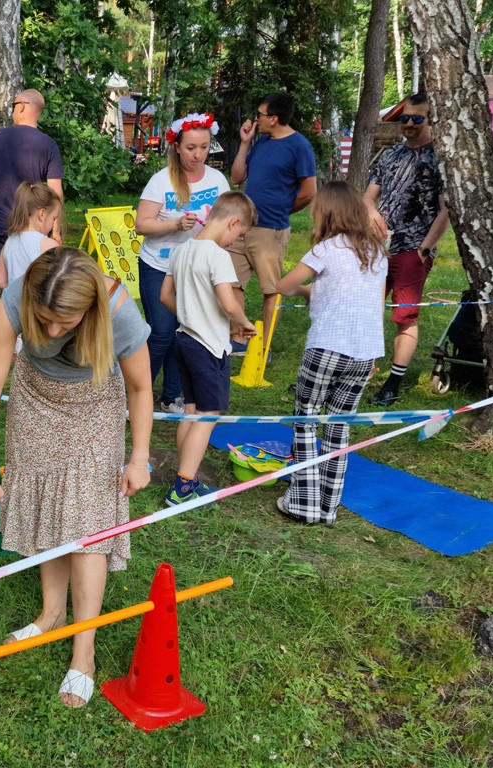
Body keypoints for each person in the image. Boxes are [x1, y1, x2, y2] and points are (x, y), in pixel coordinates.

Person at [0, 247, 153, 709]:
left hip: (93, 408)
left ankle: (83, 654)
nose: (50, 331)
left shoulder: (118, 312)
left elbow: (140, 387)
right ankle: (51, 613)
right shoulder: (17, 296)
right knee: (47, 504)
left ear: (89, 309)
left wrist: (139, 456)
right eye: (43, 320)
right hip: (34, 402)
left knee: (88, 527)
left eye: (63, 323)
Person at [275, 182, 388, 524]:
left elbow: (284, 285)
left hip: (327, 346)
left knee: (307, 419)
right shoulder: (377, 252)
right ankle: (329, 505)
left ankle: (304, 503)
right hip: (364, 350)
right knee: (339, 425)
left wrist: (307, 291)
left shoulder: (325, 249)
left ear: (325, 213)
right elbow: (376, 305)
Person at [159, 192, 256, 505]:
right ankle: (183, 486)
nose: (233, 242)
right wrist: (243, 323)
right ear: (232, 223)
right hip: (208, 348)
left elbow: (165, 296)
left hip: (184, 339)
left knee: (191, 410)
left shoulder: (181, 249)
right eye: (237, 236)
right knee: (208, 414)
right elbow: (229, 303)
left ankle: (187, 475)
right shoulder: (217, 256)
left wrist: (190, 313)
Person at [135, 112, 231, 414]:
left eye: (204, 147)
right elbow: (142, 225)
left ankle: (172, 395)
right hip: (158, 266)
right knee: (161, 332)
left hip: (196, 271)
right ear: (177, 146)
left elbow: (225, 220)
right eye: (191, 148)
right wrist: (175, 225)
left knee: (186, 332)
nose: (198, 154)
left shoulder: (217, 180)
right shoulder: (160, 181)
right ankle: (137, 396)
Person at [363, 93, 449, 406]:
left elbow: (446, 210)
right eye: (404, 119)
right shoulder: (390, 154)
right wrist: (371, 212)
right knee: (366, 308)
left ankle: (394, 382)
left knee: (405, 316)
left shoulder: (440, 158)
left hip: (413, 249)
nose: (409, 124)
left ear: (431, 120)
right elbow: (367, 197)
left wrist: (425, 249)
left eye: (416, 118)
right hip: (379, 247)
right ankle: (362, 367)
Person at [229, 93, 317, 352]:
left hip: (271, 229)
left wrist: (282, 210)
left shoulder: (300, 146)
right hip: (241, 226)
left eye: (260, 114)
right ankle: (240, 339)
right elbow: (236, 178)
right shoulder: (262, 143)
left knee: (271, 290)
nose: (256, 119)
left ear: (274, 118)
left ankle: (263, 347)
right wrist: (245, 143)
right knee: (231, 282)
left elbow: (309, 191)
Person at [0, 89, 64, 252]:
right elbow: (56, 192)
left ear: (22, 106)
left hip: (4, 224)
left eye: (13, 106)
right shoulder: (49, 145)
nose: (13, 111)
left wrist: (0, 177)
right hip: (37, 227)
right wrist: (55, 231)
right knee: (36, 275)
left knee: (7, 274)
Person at [0, 181, 61, 289]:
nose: (53, 224)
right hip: (38, 304)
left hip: (15, 305)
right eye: (53, 218)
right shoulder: (48, 245)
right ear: (42, 214)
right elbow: (59, 281)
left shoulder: (9, 242)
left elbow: (0, 282)